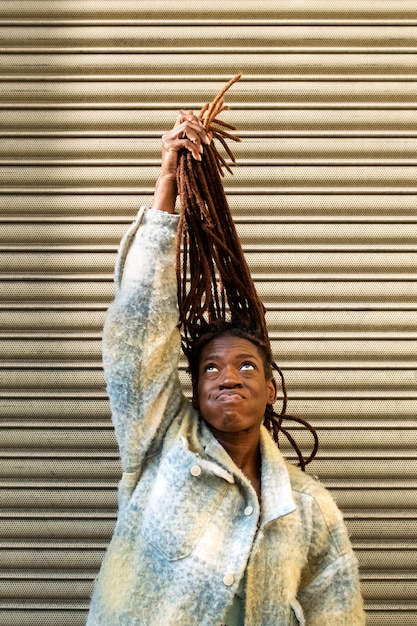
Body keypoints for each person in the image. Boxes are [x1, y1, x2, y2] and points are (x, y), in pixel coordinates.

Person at [86, 111, 366, 625]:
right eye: (211, 368)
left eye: (246, 366)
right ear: (193, 386)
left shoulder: (307, 507)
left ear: (270, 390)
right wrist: (167, 186)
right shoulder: (160, 445)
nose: (229, 376)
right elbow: (136, 342)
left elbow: (337, 611)